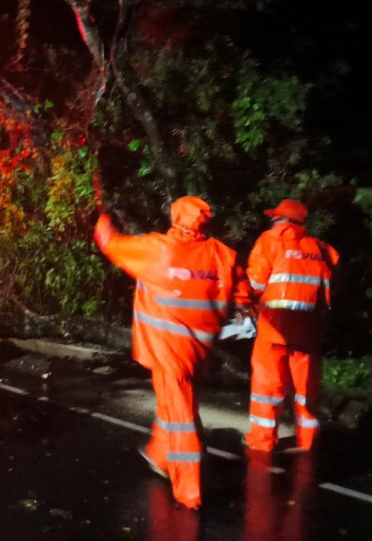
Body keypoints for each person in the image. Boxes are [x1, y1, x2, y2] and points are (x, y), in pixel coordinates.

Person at [94, 196, 250, 510]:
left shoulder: (158, 249)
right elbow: (245, 295)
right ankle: (159, 455)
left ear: (176, 217)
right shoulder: (224, 255)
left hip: (168, 346)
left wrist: (102, 221)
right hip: (201, 346)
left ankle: (189, 488)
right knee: (173, 401)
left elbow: (111, 244)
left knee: (181, 415)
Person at [244, 199, 339, 452]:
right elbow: (335, 266)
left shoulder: (269, 240)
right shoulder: (318, 246)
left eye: (274, 217)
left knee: (268, 386)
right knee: (305, 387)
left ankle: (263, 441)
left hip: (274, 328)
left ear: (280, 219)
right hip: (309, 331)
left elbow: (255, 283)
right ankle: (307, 440)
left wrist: (245, 303)